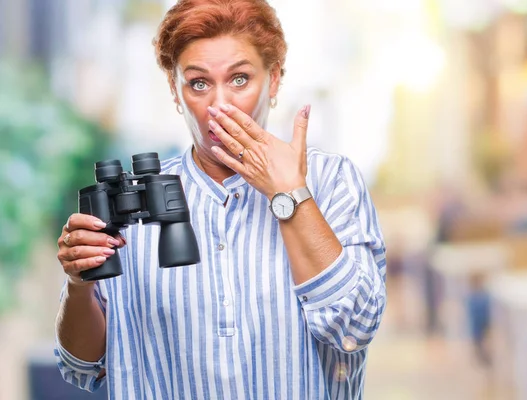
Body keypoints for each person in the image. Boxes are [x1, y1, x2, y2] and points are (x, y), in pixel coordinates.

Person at [54, 1, 387, 398]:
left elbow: (355, 329)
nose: (219, 106)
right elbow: (82, 368)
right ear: (175, 92)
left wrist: (290, 195)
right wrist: (78, 284)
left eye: (240, 79)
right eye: (198, 83)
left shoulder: (332, 181)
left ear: (275, 80)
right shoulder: (135, 201)